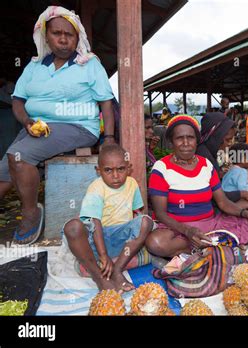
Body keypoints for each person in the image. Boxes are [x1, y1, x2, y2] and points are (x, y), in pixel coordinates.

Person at [0, 7, 116, 245]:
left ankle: (31, 214)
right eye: (56, 33)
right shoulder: (34, 66)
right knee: (4, 174)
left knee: (19, 157)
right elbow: (18, 100)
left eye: (69, 34)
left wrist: (110, 139)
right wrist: (26, 121)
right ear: (46, 36)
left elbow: (106, 102)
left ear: (77, 37)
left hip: (77, 126)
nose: (63, 39)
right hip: (35, 127)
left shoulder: (89, 64)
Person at [145, 115, 248, 257]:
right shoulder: (161, 168)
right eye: (179, 138)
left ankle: (206, 246)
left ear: (196, 140)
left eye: (190, 137)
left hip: (211, 224)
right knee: (156, 243)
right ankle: (218, 245)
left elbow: (223, 203)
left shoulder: (206, 165)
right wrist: (187, 231)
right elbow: (160, 213)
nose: (186, 143)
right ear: (171, 142)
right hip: (178, 228)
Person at [63, 144, 153, 291]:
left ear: (129, 168)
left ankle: (117, 270)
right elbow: (95, 222)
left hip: (121, 243)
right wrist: (103, 255)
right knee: (72, 228)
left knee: (145, 221)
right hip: (97, 240)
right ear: (98, 171)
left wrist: (139, 234)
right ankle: (100, 277)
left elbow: (136, 212)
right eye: (108, 170)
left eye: (121, 169)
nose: (116, 176)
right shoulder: (96, 188)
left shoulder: (132, 184)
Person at [197, 112, 248, 213]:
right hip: (208, 206)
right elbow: (214, 197)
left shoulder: (208, 151)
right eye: (228, 140)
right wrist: (244, 194)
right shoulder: (203, 156)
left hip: (217, 199)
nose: (230, 144)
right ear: (216, 136)